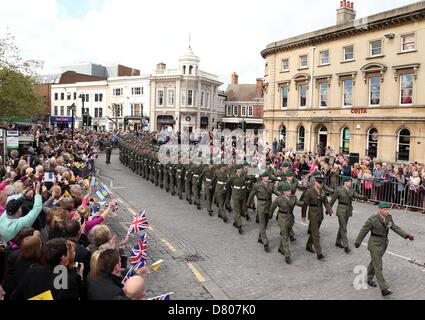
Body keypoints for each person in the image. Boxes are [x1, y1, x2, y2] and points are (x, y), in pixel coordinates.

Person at [354, 202, 414, 297]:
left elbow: (394, 227)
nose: (387, 211)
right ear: (380, 209)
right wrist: (358, 241)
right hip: (374, 245)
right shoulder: (372, 219)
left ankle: (369, 278)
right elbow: (363, 230)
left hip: (383, 244)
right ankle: (384, 288)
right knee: (378, 266)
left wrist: (406, 235)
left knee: (374, 262)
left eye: (388, 209)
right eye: (385, 210)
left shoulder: (389, 218)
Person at [11, 238, 81, 300]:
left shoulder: (31, 272)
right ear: (63, 258)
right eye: (68, 252)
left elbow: (15, 296)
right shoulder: (68, 281)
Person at [329, 176, 367, 254]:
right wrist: (329, 210)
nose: (351, 183)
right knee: (344, 228)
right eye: (349, 181)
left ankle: (338, 241)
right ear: (345, 182)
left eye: (351, 181)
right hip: (341, 209)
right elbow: (333, 200)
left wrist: (363, 197)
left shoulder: (351, 190)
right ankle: (346, 246)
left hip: (348, 210)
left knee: (342, 226)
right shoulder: (339, 190)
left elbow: (356, 195)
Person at [270, 183, 304, 264]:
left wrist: (307, 202)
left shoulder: (293, 197)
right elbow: (272, 207)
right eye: (288, 191)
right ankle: (287, 255)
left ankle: (280, 248)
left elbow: (299, 204)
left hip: (290, 218)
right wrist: (270, 215)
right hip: (282, 218)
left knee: (287, 234)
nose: (290, 192)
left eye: (290, 190)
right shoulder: (279, 199)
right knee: (285, 236)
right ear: (284, 192)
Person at [301, 175, 333, 260]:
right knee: (316, 234)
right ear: (315, 182)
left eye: (322, 183)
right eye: (319, 182)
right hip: (313, 213)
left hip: (320, 213)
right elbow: (305, 204)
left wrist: (330, 212)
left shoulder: (322, 191)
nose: (321, 184)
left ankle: (308, 246)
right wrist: (303, 215)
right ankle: (319, 254)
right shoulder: (309, 192)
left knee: (314, 231)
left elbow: (326, 202)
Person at [246, 172, 280, 252]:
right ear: (262, 178)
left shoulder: (271, 185)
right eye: (265, 176)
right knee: (262, 223)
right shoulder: (257, 185)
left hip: (269, 205)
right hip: (261, 204)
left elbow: (276, 192)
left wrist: (282, 195)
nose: (267, 178)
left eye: (268, 176)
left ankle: (260, 237)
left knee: (266, 223)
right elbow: (251, 194)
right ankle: (265, 243)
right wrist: (248, 203)